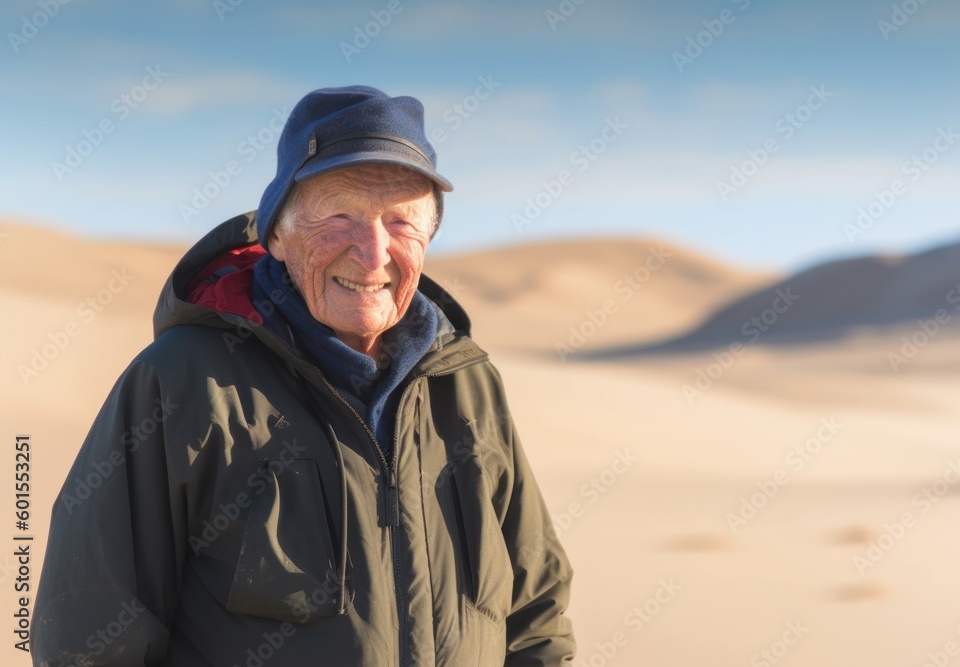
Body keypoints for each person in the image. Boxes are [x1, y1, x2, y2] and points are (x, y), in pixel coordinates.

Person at [32, 85, 575, 666]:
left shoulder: (467, 386)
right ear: (277, 235)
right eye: (339, 216)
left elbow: (536, 616)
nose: (372, 254)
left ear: (429, 238)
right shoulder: (183, 383)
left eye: (401, 221)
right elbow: (89, 636)